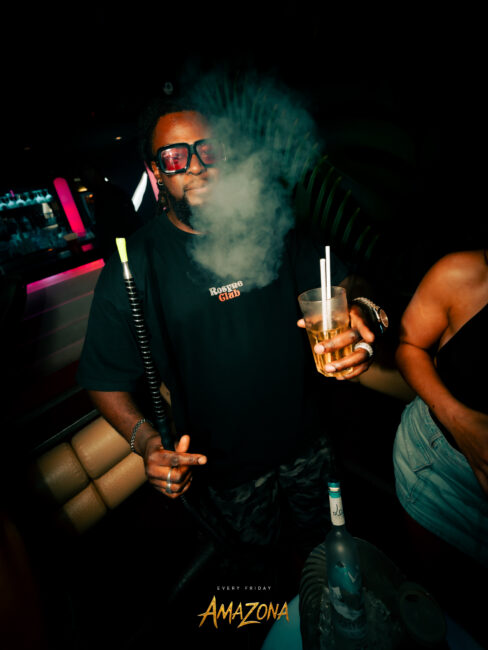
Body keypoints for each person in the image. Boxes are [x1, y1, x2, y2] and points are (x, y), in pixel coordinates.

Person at [76, 95, 384, 568]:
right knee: (261, 570)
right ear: (156, 171)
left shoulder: (273, 227)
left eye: (209, 150)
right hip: (223, 470)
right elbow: (103, 380)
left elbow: (345, 281)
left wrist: (361, 310)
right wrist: (147, 442)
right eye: (175, 157)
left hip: (309, 441)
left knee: (331, 553)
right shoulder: (133, 265)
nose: (196, 166)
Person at [392, 247, 488, 640]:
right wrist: (460, 421)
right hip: (442, 477)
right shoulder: (463, 274)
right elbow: (408, 345)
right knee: (444, 618)